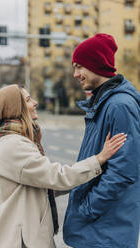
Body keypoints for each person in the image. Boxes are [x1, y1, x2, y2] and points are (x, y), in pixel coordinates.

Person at [0, 84, 126, 248]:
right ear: (16, 108)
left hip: (22, 237)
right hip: (22, 241)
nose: (35, 102)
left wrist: (89, 176)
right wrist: (99, 159)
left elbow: (46, 185)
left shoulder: (16, 140)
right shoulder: (14, 145)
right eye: (28, 100)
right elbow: (56, 177)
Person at [63, 33, 140, 248]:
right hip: (99, 230)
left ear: (96, 64)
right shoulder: (103, 103)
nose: (75, 74)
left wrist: (87, 208)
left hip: (107, 231)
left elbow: (124, 171)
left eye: (79, 66)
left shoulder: (119, 105)